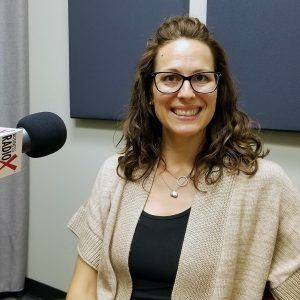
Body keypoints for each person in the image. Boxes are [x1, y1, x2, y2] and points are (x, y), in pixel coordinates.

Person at [66, 16, 300, 300]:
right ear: (150, 93)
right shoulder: (114, 175)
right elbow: (84, 286)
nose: (186, 93)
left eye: (201, 78)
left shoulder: (264, 184)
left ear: (219, 89)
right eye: (170, 78)